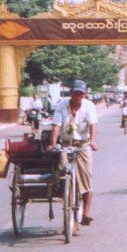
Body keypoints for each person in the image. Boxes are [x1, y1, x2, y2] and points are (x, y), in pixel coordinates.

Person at [48, 79, 98, 229]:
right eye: (76, 93)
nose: (78, 96)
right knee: (63, 168)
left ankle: (85, 213)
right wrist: (53, 143)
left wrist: (93, 141)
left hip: (82, 145)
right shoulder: (62, 105)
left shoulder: (89, 106)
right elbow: (56, 126)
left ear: (84, 95)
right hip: (65, 144)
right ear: (70, 93)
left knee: (87, 177)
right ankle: (62, 188)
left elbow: (92, 125)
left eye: (81, 94)